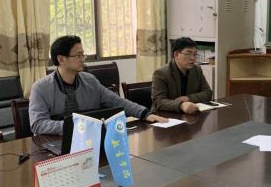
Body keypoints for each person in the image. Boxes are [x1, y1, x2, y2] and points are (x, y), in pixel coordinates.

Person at [29, 35, 167, 135]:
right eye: (78, 55)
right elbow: (38, 124)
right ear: (61, 59)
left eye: (83, 55)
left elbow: (116, 101)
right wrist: (75, 126)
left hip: (89, 139)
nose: (83, 59)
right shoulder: (41, 88)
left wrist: (144, 113)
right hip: (57, 143)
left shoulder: (89, 81)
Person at [151, 37, 213, 114]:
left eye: (195, 54)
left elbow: (208, 93)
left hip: (190, 114)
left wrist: (188, 98)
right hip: (166, 115)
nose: (193, 58)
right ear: (176, 54)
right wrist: (181, 105)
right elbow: (158, 101)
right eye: (188, 54)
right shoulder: (161, 73)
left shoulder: (197, 69)